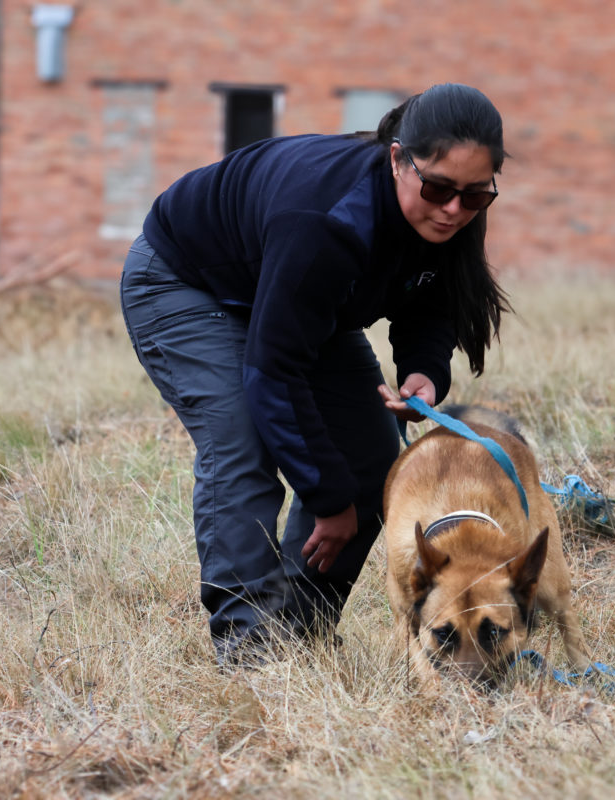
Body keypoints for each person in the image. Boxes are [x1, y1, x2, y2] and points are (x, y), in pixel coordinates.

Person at [119, 83, 511, 666]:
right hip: (185, 280)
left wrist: (424, 372)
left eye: (475, 196)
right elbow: (275, 372)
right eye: (438, 189)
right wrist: (328, 500)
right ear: (398, 158)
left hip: (291, 295)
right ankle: (251, 650)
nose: (454, 209)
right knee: (242, 446)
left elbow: (431, 299)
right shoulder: (327, 221)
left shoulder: (452, 208)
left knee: (375, 463)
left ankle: (297, 636)